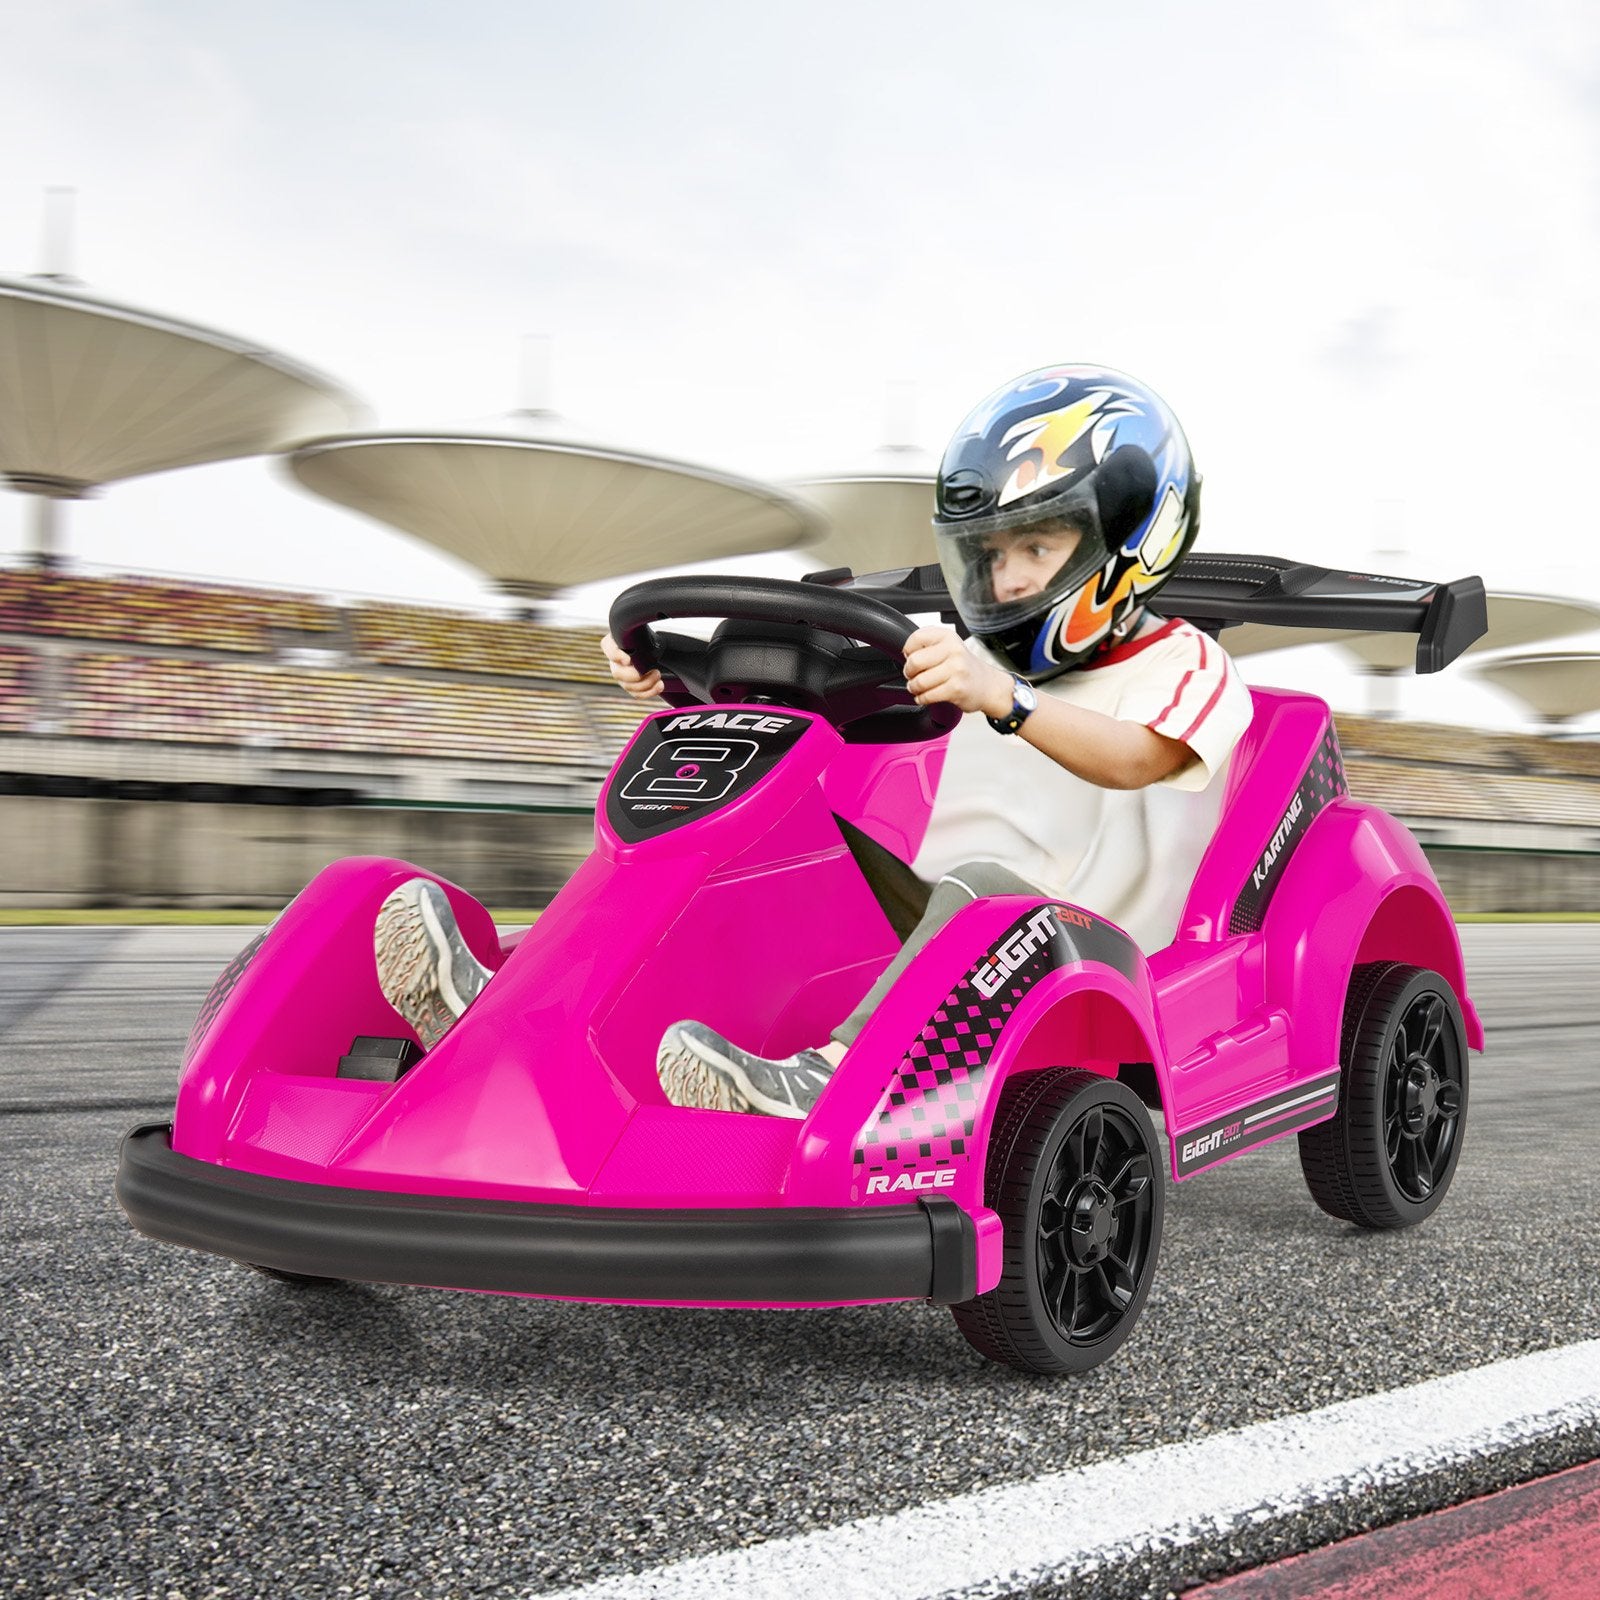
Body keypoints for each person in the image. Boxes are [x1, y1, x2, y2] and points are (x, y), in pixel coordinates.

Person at [374, 366, 1253, 1113]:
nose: (1006, 576)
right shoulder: (971, 657)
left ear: (1130, 538)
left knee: (985, 888)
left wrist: (1007, 698)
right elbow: (848, 698)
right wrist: (672, 676)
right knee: (781, 848)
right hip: (944, 918)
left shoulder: (1189, 664)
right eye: (989, 553)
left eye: (1037, 546)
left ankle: (827, 1084)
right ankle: (516, 1013)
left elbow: (1142, 757)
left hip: (1095, 939)